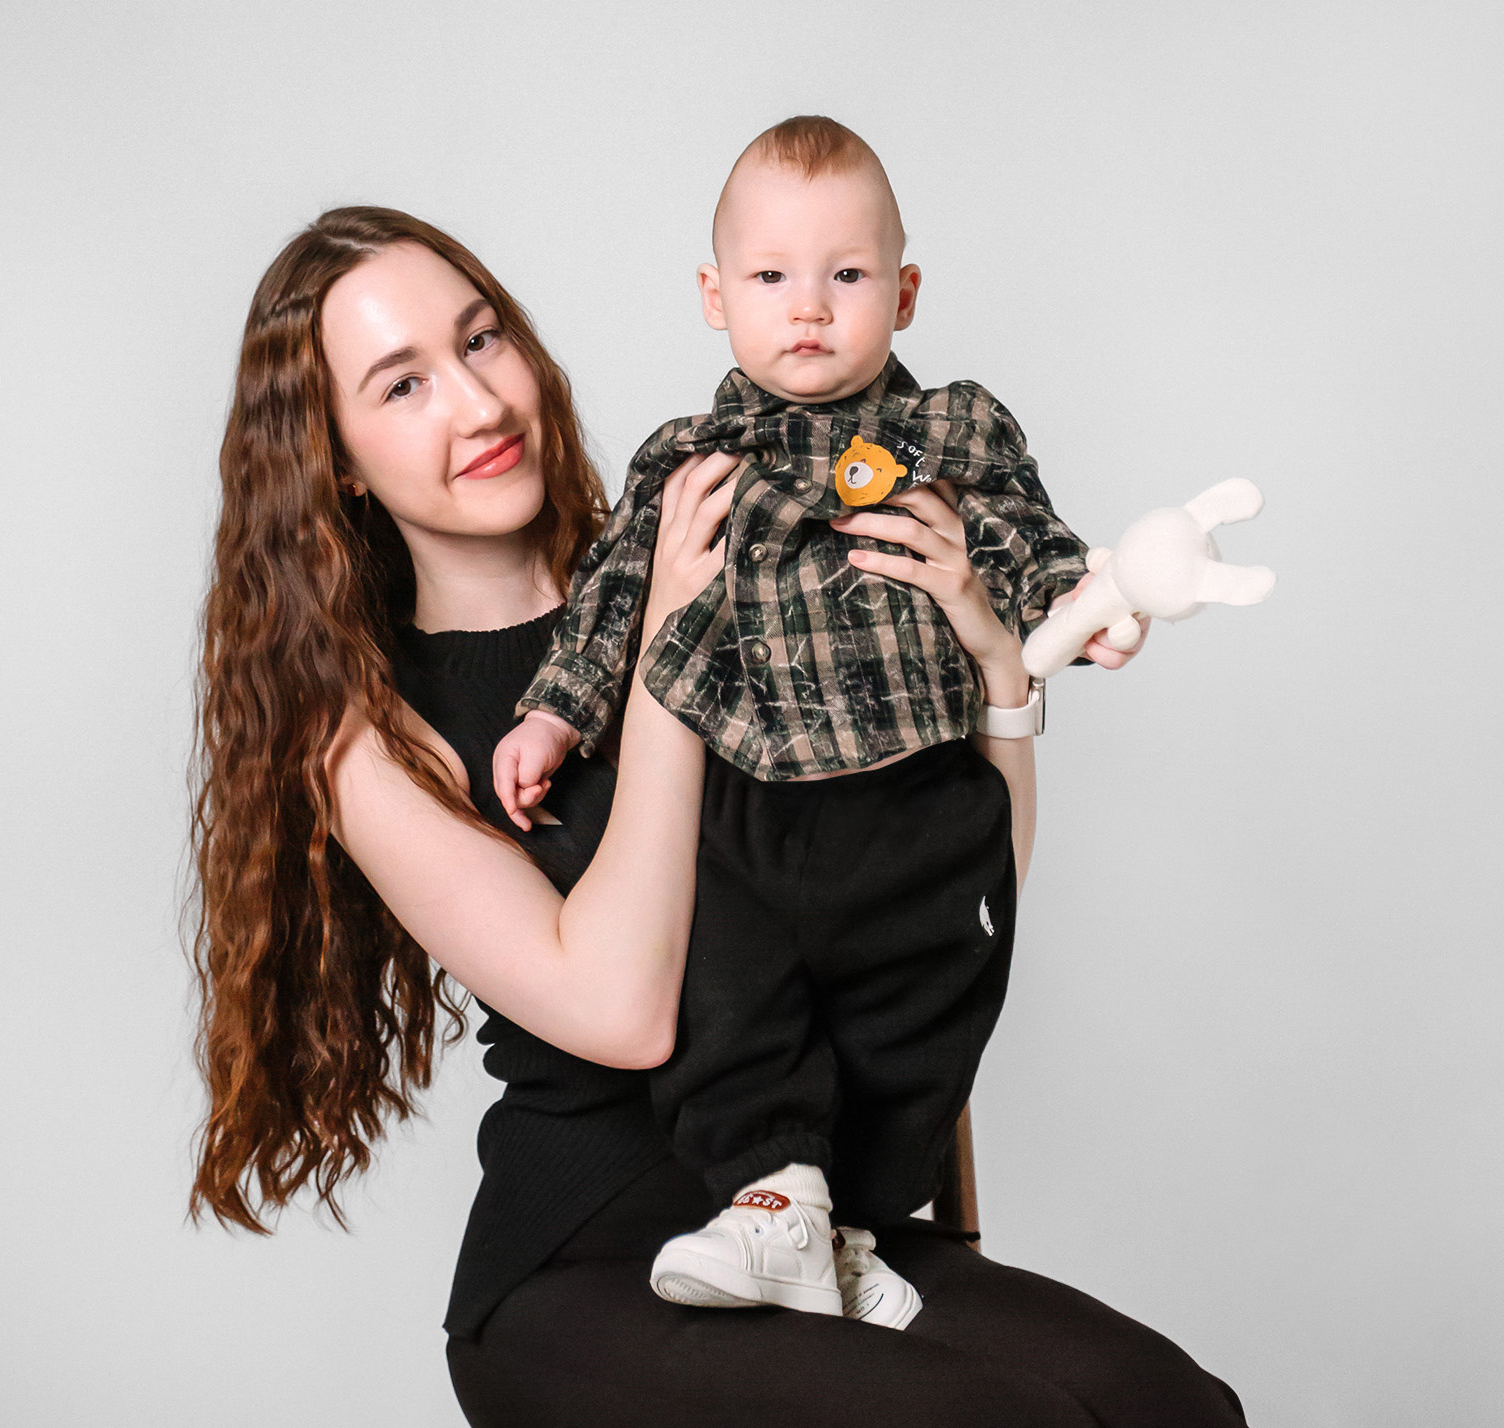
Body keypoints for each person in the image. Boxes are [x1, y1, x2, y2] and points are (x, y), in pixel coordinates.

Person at [190, 205, 1246, 1426]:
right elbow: (621, 1010)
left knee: (1173, 1407)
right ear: (333, 457)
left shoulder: (725, 557)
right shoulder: (365, 737)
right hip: (585, 1268)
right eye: (402, 384)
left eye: (481, 341)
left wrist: (998, 668)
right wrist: (665, 650)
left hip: (826, 1231)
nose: (477, 405)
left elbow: (948, 893)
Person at [490, 115, 1107, 1328]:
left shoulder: (953, 432)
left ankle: (848, 1229)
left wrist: (1088, 609)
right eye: (771, 277)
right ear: (715, 297)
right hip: (751, 794)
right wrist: (554, 716)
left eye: (848, 275)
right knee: (731, 988)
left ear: (904, 294)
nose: (809, 307)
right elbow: (612, 601)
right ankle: (774, 1197)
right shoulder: (690, 462)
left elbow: (1028, 544)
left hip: (918, 793)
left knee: (926, 1016)